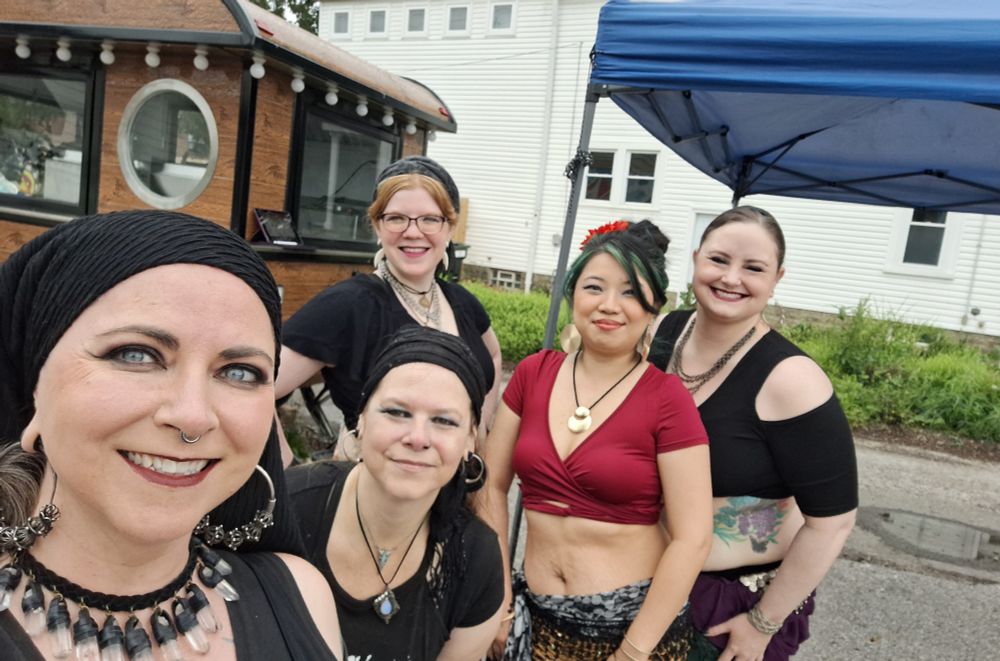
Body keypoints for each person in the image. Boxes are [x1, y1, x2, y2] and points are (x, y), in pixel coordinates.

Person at [0, 210, 343, 660]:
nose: (193, 416)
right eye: (136, 354)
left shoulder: (302, 595)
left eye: (240, 371)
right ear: (33, 385)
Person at [478, 220, 714, 661]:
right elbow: (491, 485)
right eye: (594, 287)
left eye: (629, 292)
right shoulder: (533, 373)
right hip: (535, 617)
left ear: (653, 307)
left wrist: (634, 651)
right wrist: (502, 602)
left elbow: (693, 538)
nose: (610, 305)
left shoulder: (668, 400)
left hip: (631, 626)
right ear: (572, 296)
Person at [647, 206, 858, 661]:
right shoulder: (663, 333)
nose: (731, 278)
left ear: (777, 277)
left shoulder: (793, 380)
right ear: (696, 257)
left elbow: (833, 523)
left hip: (728, 607)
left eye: (754, 268)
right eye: (719, 260)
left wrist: (762, 624)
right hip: (642, 583)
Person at [287, 325, 506, 659]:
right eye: (397, 412)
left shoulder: (474, 558)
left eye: (444, 421)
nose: (418, 438)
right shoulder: (286, 509)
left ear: (470, 439)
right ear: (360, 419)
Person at [275, 156, 501, 462]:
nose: (412, 232)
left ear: (449, 229)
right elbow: (255, 388)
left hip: (455, 495)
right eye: (396, 218)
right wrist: (289, 478)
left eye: (430, 219)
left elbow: (493, 357)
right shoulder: (349, 305)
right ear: (377, 226)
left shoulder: (462, 302)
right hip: (376, 498)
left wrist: (479, 435)